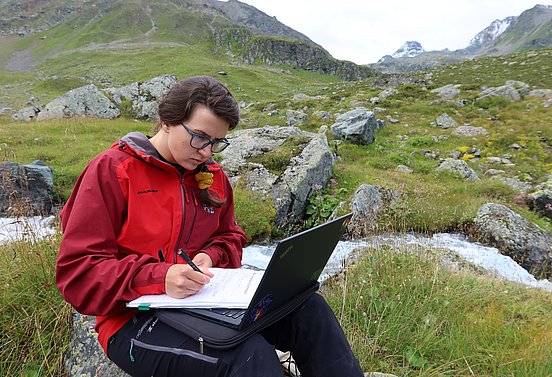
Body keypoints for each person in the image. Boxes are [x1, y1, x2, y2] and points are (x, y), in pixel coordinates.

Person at [56, 75, 363, 377]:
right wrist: (160, 277)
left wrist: (211, 256)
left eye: (216, 142)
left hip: (204, 305)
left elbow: (230, 237)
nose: (206, 152)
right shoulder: (112, 171)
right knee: (248, 356)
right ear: (167, 121)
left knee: (310, 310)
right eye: (200, 137)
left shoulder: (212, 176)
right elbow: (78, 273)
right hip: (132, 320)